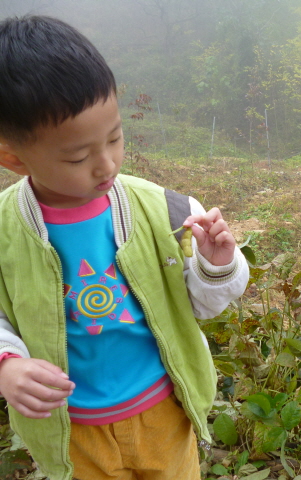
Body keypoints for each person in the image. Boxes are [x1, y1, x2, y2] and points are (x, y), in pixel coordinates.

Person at [0, 15, 249, 480]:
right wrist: (7, 364)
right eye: (77, 156)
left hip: (164, 413)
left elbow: (202, 306)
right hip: (75, 430)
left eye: (115, 137)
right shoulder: (5, 232)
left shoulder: (165, 210)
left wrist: (216, 266)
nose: (106, 163)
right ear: (13, 158)